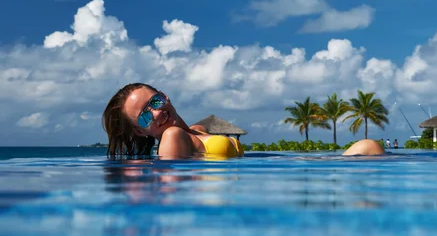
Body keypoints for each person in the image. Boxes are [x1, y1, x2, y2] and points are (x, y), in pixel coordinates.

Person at [103, 83, 384, 159]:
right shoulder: (171, 138)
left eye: (154, 102)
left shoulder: (196, 131)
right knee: (369, 146)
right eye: (144, 116)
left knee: (370, 146)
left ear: (165, 96)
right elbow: (176, 195)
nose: (156, 112)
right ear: (140, 133)